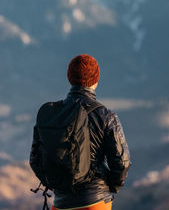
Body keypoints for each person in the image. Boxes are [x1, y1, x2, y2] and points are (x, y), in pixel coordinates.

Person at [30, 54, 131, 210]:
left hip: (60, 203)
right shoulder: (106, 116)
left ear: (70, 78)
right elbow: (121, 163)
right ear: (96, 80)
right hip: (95, 202)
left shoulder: (52, 114)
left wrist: (57, 184)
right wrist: (110, 187)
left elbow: (35, 159)